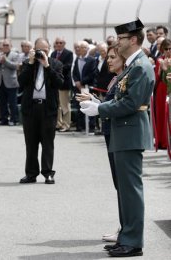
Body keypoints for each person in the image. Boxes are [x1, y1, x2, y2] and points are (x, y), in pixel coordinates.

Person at [80, 18, 154, 257]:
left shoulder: (141, 66)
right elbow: (123, 98)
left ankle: (133, 242)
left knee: (131, 190)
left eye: (122, 38)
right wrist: (99, 104)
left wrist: (100, 109)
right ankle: (126, 235)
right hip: (124, 131)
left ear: (133, 40)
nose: (118, 42)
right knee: (124, 190)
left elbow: (131, 103)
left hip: (130, 131)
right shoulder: (134, 65)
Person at [76, 43, 125, 243]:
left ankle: (126, 229)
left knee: (123, 185)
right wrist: (96, 101)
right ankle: (124, 227)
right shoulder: (116, 78)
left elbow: (121, 106)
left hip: (118, 133)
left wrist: (98, 106)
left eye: (113, 57)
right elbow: (112, 104)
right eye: (108, 57)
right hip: (110, 131)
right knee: (118, 184)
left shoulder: (124, 78)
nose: (109, 61)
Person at [18, 38, 64, 184]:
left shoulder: (56, 64)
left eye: (45, 50)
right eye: (39, 50)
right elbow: (21, 82)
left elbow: (60, 83)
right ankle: (31, 173)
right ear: (33, 50)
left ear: (49, 49)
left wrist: (47, 66)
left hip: (47, 108)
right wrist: (31, 63)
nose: (42, 53)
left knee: (48, 142)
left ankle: (48, 173)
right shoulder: (27, 63)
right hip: (30, 108)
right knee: (30, 143)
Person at [0, 39, 19, 126]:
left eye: (7, 45)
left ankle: (14, 119)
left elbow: (15, 66)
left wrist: (5, 61)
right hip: (1, 82)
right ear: (1, 47)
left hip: (11, 82)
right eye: (4, 45)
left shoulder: (15, 55)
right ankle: (4, 119)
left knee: (12, 102)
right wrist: (0, 61)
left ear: (10, 46)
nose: (5, 47)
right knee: (2, 102)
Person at [51, 37, 73, 132]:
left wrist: (57, 68)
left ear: (64, 44)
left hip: (64, 83)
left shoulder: (69, 53)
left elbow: (68, 66)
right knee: (57, 105)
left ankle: (66, 124)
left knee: (65, 105)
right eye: (57, 42)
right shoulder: (53, 53)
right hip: (54, 82)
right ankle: (58, 123)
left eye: (61, 43)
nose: (59, 44)